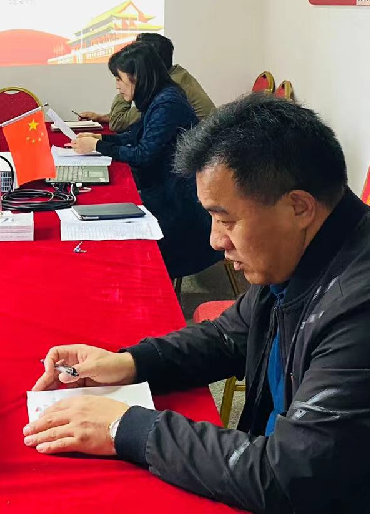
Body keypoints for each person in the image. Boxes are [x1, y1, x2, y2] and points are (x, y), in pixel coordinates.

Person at [26, 95, 370, 512]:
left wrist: (123, 427)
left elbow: (289, 477)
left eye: (226, 220)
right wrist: (130, 363)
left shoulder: (357, 309)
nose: (215, 240)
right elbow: (228, 336)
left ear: (298, 207)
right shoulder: (300, 252)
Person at [70, 42, 221, 279]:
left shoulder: (167, 103)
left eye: (119, 78)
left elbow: (143, 154)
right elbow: (135, 135)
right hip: (167, 187)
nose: (117, 86)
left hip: (180, 201)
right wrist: (101, 137)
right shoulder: (159, 96)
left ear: (137, 77)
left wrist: (98, 146)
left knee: (122, 229)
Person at [78, 33, 215, 132]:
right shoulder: (174, 75)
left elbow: (118, 123)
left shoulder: (167, 88)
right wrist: (101, 118)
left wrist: (126, 82)